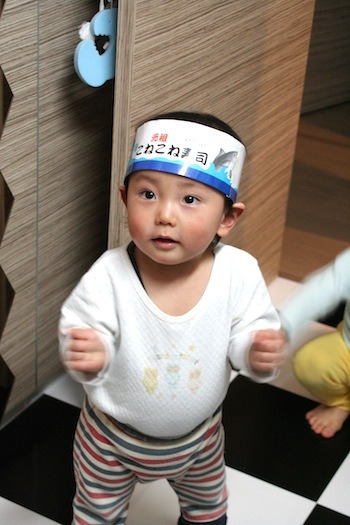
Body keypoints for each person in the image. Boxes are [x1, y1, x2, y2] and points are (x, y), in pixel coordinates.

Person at [59, 111, 285, 525]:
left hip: (198, 439)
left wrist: (256, 349)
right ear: (125, 199)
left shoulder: (238, 272)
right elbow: (82, 324)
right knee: (95, 513)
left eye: (190, 199)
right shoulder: (110, 272)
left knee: (208, 510)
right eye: (148, 195)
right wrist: (90, 350)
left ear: (228, 218)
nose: (165, 214)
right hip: (109, 437)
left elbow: (248, 331)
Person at [278, 248, 350, 438]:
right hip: (347, 347)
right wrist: (286, 323)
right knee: (310, 363)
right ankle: (342, 402)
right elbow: (330, 284)